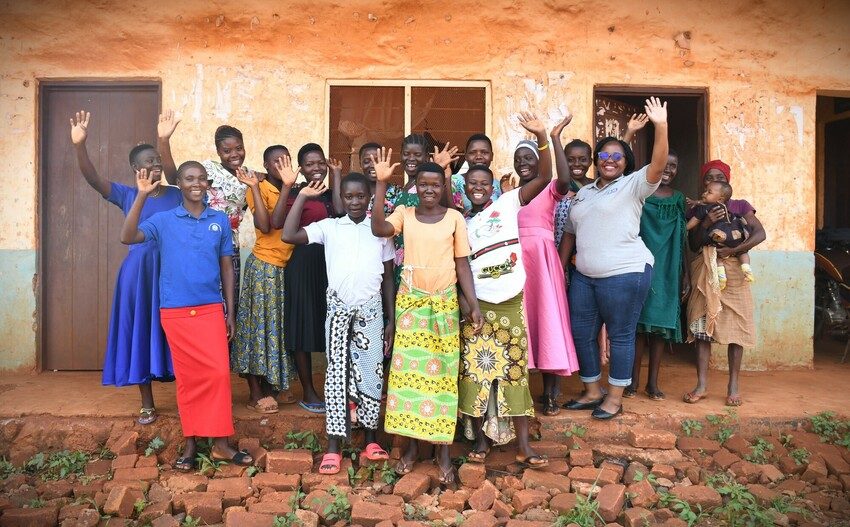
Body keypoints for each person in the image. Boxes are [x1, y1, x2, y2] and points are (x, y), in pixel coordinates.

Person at [120, 162, 252, 470]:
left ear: (207, 184)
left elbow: (226, 270)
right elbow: (128, 237)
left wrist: (229, 311)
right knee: (189, 380)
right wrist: (141, 196)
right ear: (179, 183)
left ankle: (221, 444)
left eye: (201, 179)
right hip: (176, 311)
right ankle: (191, 444)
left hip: (209, 309)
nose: (196, 183)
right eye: (189, 179)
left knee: (219, 375)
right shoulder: (163, 220)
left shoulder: (219, 220)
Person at [458, 112, 566, 469]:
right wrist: (469, 304)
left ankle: (523, 446)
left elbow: (547, 176)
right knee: (476, 374)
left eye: (483, 183)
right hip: (477, 307)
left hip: (511, 302)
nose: (477, 188)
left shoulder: (507, 204)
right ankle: (482, 443)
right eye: (471, 183)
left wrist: (542, 138)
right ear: (464, 187)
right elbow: (460, 269)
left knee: (515, 374)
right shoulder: (460, 222)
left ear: (491, 187)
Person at [371, 150, 483, 485]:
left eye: (435, 184)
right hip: (411, 307)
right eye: (423, 184)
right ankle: (411, 451)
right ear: (416, 187)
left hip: (445, 307)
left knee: (442, 381)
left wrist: (472, 303)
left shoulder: (454, 219)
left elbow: (462, 263)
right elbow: (379, 227)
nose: (429, 189)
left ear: (443, 187)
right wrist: (380, 183)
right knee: (409, 382)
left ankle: (443, 453)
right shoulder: (404, 213)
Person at [558, 97, 670, 420]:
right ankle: (593, 391)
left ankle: (615, 397)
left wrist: (660, 126)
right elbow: (570, 233)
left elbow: (659, 164)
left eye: (617, 156)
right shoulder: (584, 193)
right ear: (596, 161)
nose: (609, 160)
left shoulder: (634, 185)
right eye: (603, 155)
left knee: (621, 335)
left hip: (625, 274)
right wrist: (559, 266)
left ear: (625, 162)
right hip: (585, 278)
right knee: (582, 333)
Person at [70, 110, 182, 425]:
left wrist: (164, 140)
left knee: (174, 330)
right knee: (141, 330)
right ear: (135, 168)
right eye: (148, 161)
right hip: (139, 274)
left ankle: (184, 396)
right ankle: (147, 402)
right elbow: (93, 179)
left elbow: (177, 175)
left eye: (157, 160)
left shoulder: (176, 195)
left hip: (171, 273)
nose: (154, 164)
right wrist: (80, 145)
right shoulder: (128, 194)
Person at [283, 173, 395, 475]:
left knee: (371, 376)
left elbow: (387, 279)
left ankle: (371, 439)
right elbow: (288, 235)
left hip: (372, 311)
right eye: (349, 197)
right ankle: (334, 445)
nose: (356, 201)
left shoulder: (380, 231)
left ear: (369, 197)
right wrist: (304, 196)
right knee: (336, 376)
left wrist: (391, 319)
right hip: (338, 311)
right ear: (340, 199)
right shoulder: (329, 227)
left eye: (361, 196)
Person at [684, 159, 766, 407]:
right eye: (709, 177)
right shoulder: (700, 209)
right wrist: (707, 223)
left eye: (719, 177)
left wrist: (735, 251)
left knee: (737, 329)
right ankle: (702, 385)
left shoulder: (741, 206)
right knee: (702, 327)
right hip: (706, 270)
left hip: (734, 273)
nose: (713, 181)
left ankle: (733, 386)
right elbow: (693, 244)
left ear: (727, 183)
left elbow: (759, 233)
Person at [514, 113, 581, 417]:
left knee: (548, 321)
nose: (524, 163)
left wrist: (550, 138)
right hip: (517, 266)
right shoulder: (510, 195)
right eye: (519, 158)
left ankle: (552, 393)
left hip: (542, 262)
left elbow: (565, 179)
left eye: (529, 157)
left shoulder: (550, 188)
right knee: (524, 325)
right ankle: (523, 394)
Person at [270, 143, 341, 413]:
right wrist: (294, 190)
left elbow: (340, 211)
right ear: (301, 168)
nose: (316, 168)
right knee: (302, 326)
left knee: (331, 325)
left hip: (331, 265)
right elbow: (278, 223)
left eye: (320, 163)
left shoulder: (329, 192)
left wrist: (336, 176)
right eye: (310, 164)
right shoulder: (298, 192)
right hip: (302, 263)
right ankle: (308, 391)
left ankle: (335, 388)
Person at [231, 145, 296, 414]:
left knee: (276, 330)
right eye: (275, 162)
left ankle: (271, 386)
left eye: (286, 161)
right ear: (266, 166)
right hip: (264, 269)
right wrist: (256, 185)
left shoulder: (290, 187)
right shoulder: (260, 188)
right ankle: (255, 392)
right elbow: (267, 225)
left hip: (284, 268)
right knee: (257, 330)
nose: (282, 166)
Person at [626, 149, 689, 400]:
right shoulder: (641, 193)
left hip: (668, 268)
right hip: (641, 264)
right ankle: (632, 382)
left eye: (673, 166)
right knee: (639, 327)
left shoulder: (679, 199)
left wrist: (686, 274)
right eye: (664, 165)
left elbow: (682, 235)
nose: (668, 170)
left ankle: (653, 384)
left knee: (660, 328)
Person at [686, 181, 755, 288]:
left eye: (709, 192)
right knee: (742, 252)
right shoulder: (725, 208)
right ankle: (746, 267)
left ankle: (721, 276)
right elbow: (694, 245)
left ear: (720, 198)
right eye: (706, 190)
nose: (704, 194)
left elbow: (694, 221)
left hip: (719, 237)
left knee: (716, 252)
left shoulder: (705, 208)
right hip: (735, 236)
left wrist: (682, 228)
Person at [448, 134, 503, 212]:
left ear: (492, 156)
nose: (479, 157)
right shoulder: (452, 181)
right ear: (465, 156)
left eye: (484, 152)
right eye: (473, 153)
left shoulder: (498, 185)